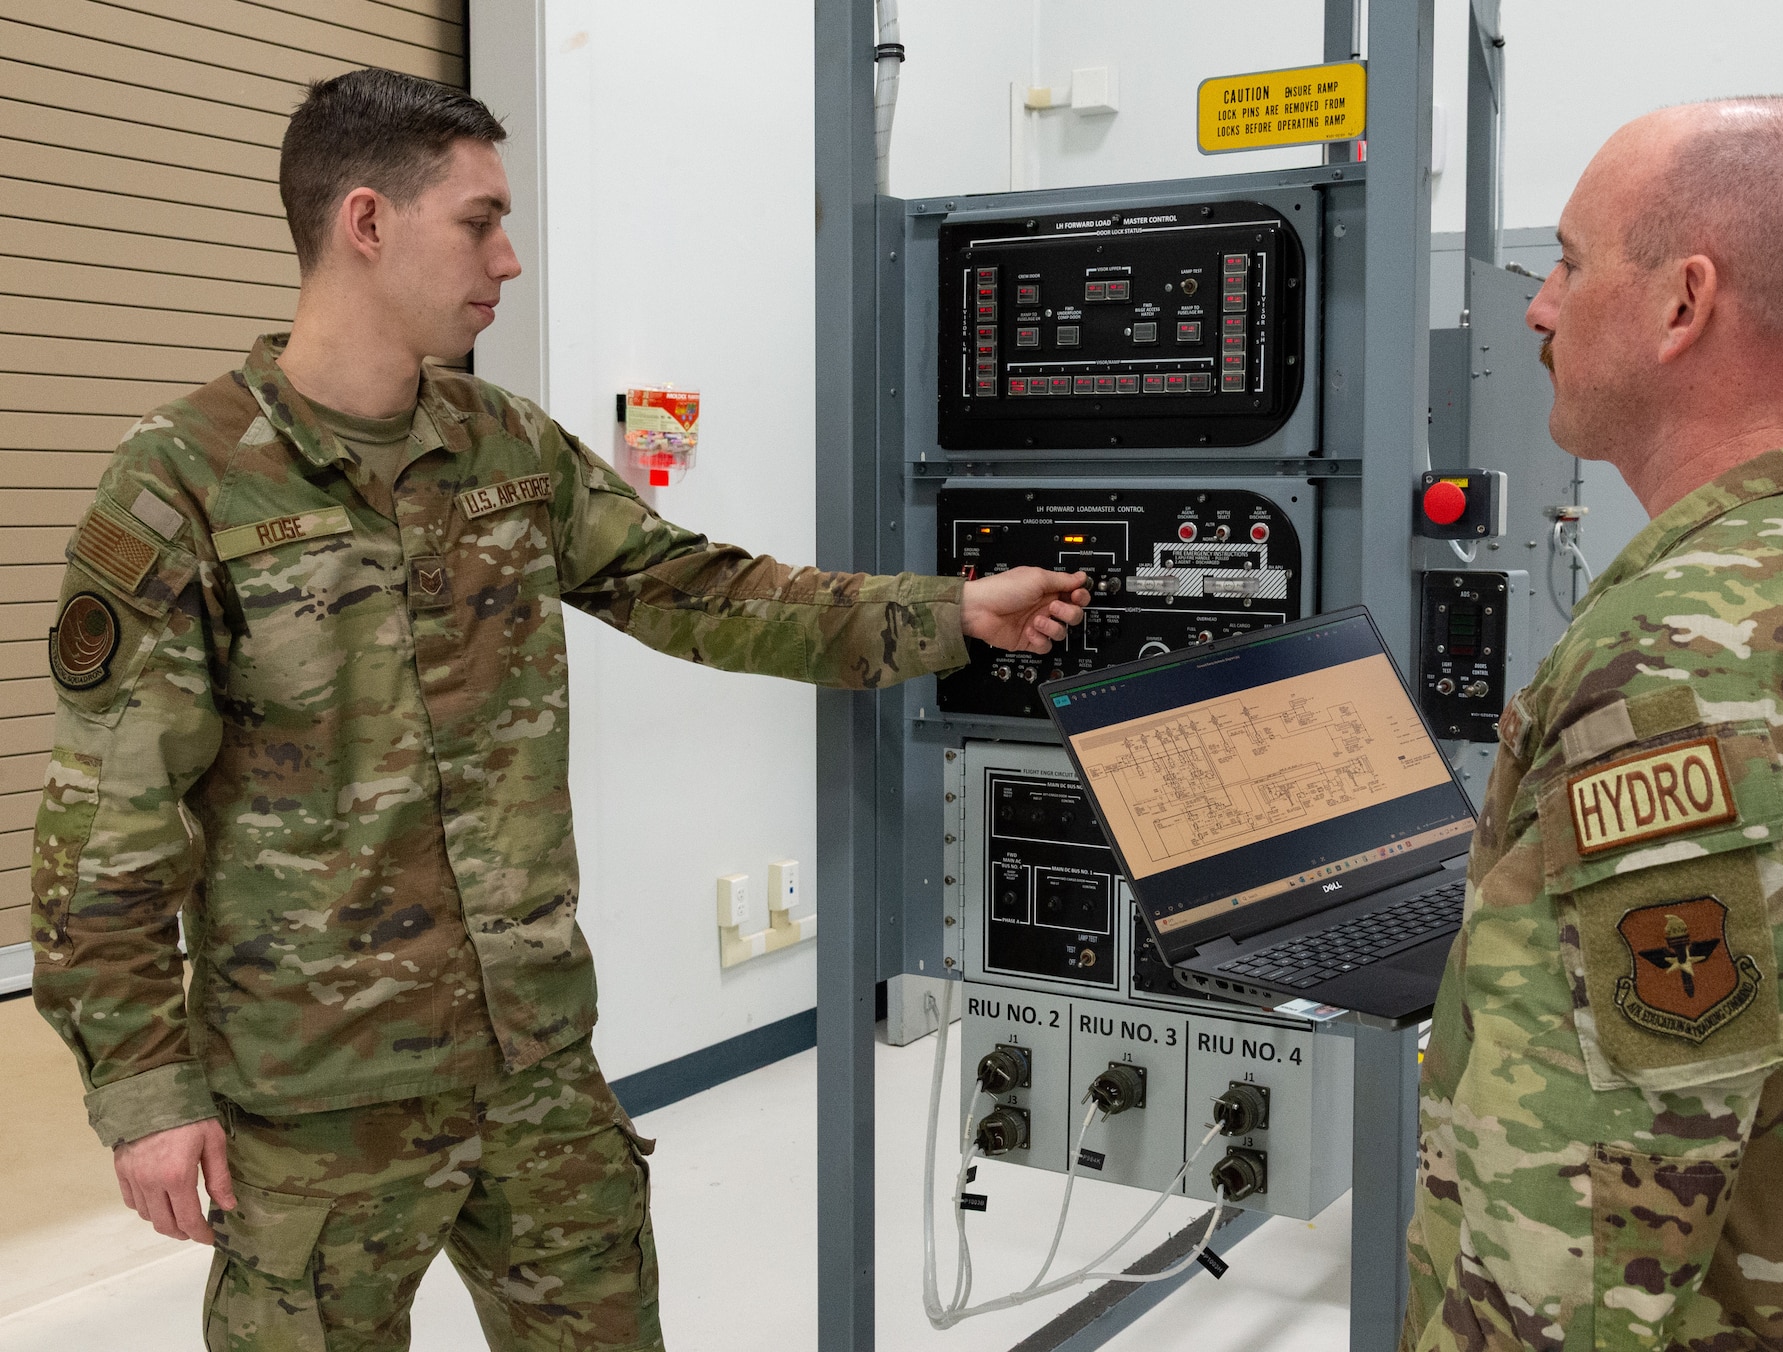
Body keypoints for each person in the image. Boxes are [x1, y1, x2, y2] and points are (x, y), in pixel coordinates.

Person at [29, 69, 1088, 1351]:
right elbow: (107, 826)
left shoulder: (505, 449)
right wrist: (145, 1091)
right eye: (479, 221)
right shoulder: (183, 482)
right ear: (366, 222)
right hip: (314, 1100)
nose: (509, 259)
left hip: (534, 1059)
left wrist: (949, 613)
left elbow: (697, 588)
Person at [1403, 97, 1783, 1351]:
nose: (1534, 305)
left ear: (1682, 303)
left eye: (1563, 259)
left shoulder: (1682, 660)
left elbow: (1593, 1220)